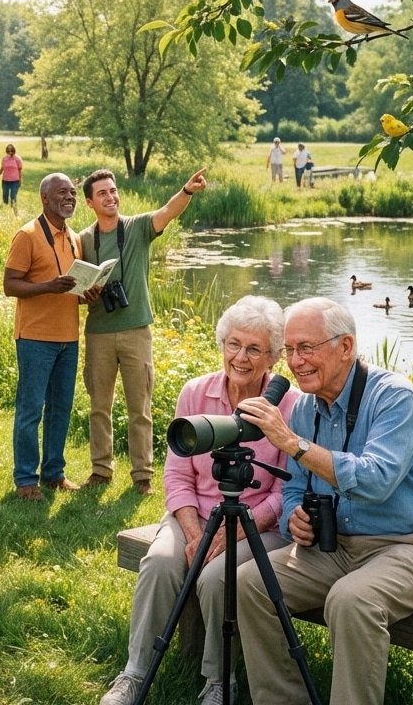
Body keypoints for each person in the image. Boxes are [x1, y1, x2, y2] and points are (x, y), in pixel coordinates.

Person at [235, 297, 413, 705]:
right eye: (290, 349)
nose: (296, 361)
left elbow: (375, 481)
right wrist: (293, 518)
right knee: (252, 583)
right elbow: (294, 487)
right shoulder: (305, 408)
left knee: (351, 600)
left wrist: (292, 442)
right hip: (338, 548)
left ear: (346, 346)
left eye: (307, 347)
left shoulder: (394, 398)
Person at [100, 296, 297, 705]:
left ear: (274, 357)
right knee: (159, 562)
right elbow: (177, 474)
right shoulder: (196, 392)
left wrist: (234, 532)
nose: (240, 357)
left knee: (216, 577)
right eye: (233, 344)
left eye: (254, 349)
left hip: (258, 524)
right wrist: (194, 534)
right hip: (194, 515)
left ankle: (219, 679)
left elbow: (285, 491)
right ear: (222, 344)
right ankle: (134, 672)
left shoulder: (289, 405)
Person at [79, 167, 208, 495]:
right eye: (102, 193)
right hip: (98, 332)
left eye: (113, 190)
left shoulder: (137, 227)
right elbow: (74, 286)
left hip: (136, 330)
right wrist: (85, 295)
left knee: (140, 408)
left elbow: (168, 211)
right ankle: (100, 470)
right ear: (90, 203)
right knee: (99, 407)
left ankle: (142, 476)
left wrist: (187, 191)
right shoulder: (83, 240)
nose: (111, 197)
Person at [3, 172, 101, 499]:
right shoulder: (27, 235)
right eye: (62, 192)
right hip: (34, 338)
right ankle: (25, 480)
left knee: (61, 409)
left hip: (68, 338)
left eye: (72, 192)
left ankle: (53, 473)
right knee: (31, 410)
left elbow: (71, 288)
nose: (69, 197)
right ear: (45, 198)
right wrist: (48, 286)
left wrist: (87, 294)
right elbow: (10, 285)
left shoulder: (73, 237)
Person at [1, 143, 24, 212]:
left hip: (15, 181)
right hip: (5, 181)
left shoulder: (17, 159)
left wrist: (20, 180)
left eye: (11, 150)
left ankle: (14, 210)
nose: (10, 152)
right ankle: (5, 209)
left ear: (14, 150)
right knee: (5, 195)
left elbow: (20, 170)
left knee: (13, 196)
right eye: (8, 150)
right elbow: (2, 168)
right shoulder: (4, 159)